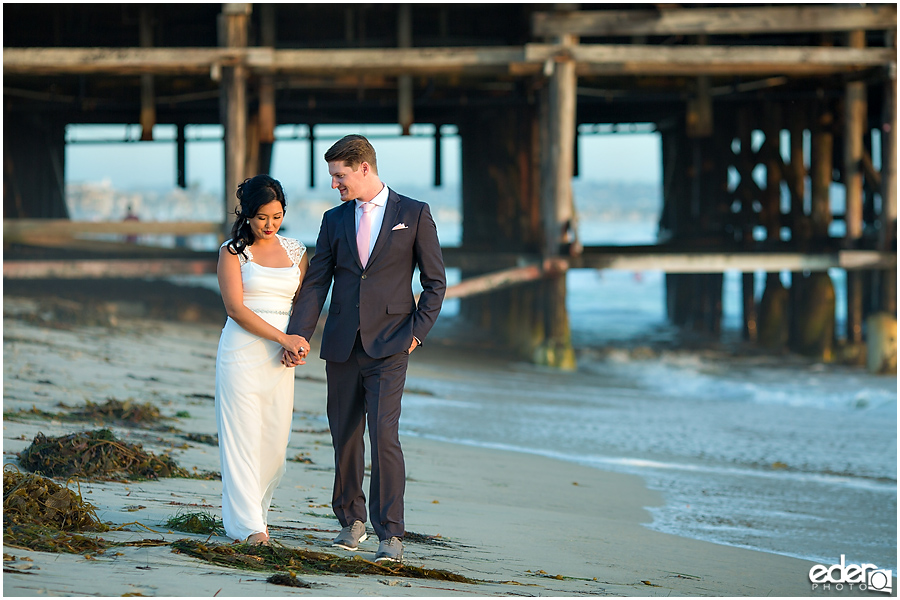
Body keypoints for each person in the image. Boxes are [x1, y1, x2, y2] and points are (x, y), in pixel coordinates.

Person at [283, 135, 446, 563]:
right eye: (333, 176)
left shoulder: (413, 213)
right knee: (345, 436)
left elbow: (435, 283)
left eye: (340, 175)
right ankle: (350, 520)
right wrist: (300, 333)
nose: (335, 183)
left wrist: (415, 334)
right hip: (341, 344)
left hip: (392, 344)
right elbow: (318, 281)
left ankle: (390, 532)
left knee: (384, 435)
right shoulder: (334, 220)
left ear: (364, 169)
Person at [215, 174, 311, 546]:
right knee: (242, 438)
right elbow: (236, 309)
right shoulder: (232, 251)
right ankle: (249, 528)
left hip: (280, 359)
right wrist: (282, 337)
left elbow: (303, 303)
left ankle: (258, 515)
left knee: (274, 444)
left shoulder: (297, 251)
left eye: (277, 216)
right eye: (261, 218)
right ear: (247, 216)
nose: (269, 225)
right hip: (241, 353)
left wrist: (297, 343)